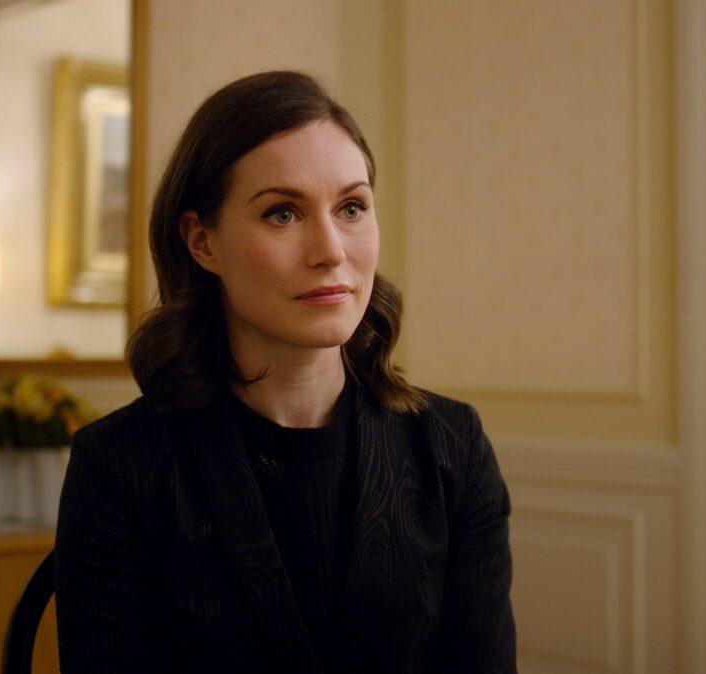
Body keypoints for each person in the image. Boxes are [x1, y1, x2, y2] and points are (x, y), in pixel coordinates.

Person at [53, 70, 516, 674]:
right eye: (282, 214)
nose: (331, 251)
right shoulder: (120, 465)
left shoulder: (453, 445)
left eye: (352, 208)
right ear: (202, 242)